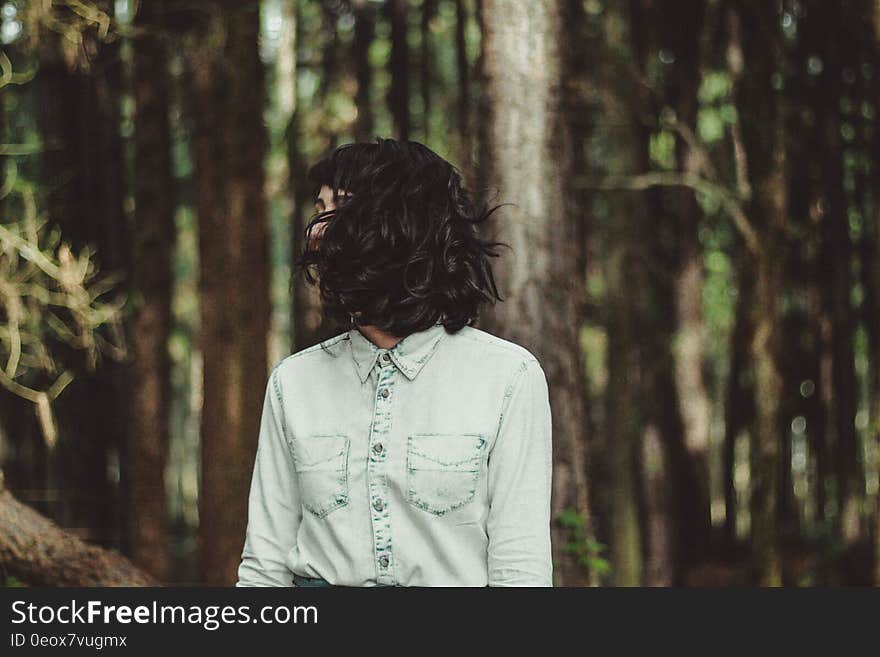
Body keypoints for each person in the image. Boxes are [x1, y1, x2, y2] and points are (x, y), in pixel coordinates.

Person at [236, 137, 553, 587]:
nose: (316, 230)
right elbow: (264, 567)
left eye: (339, 207)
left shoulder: (507, 377)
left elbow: (521, 573)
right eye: (318, 209)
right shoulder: (294, 381)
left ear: (404, 223)